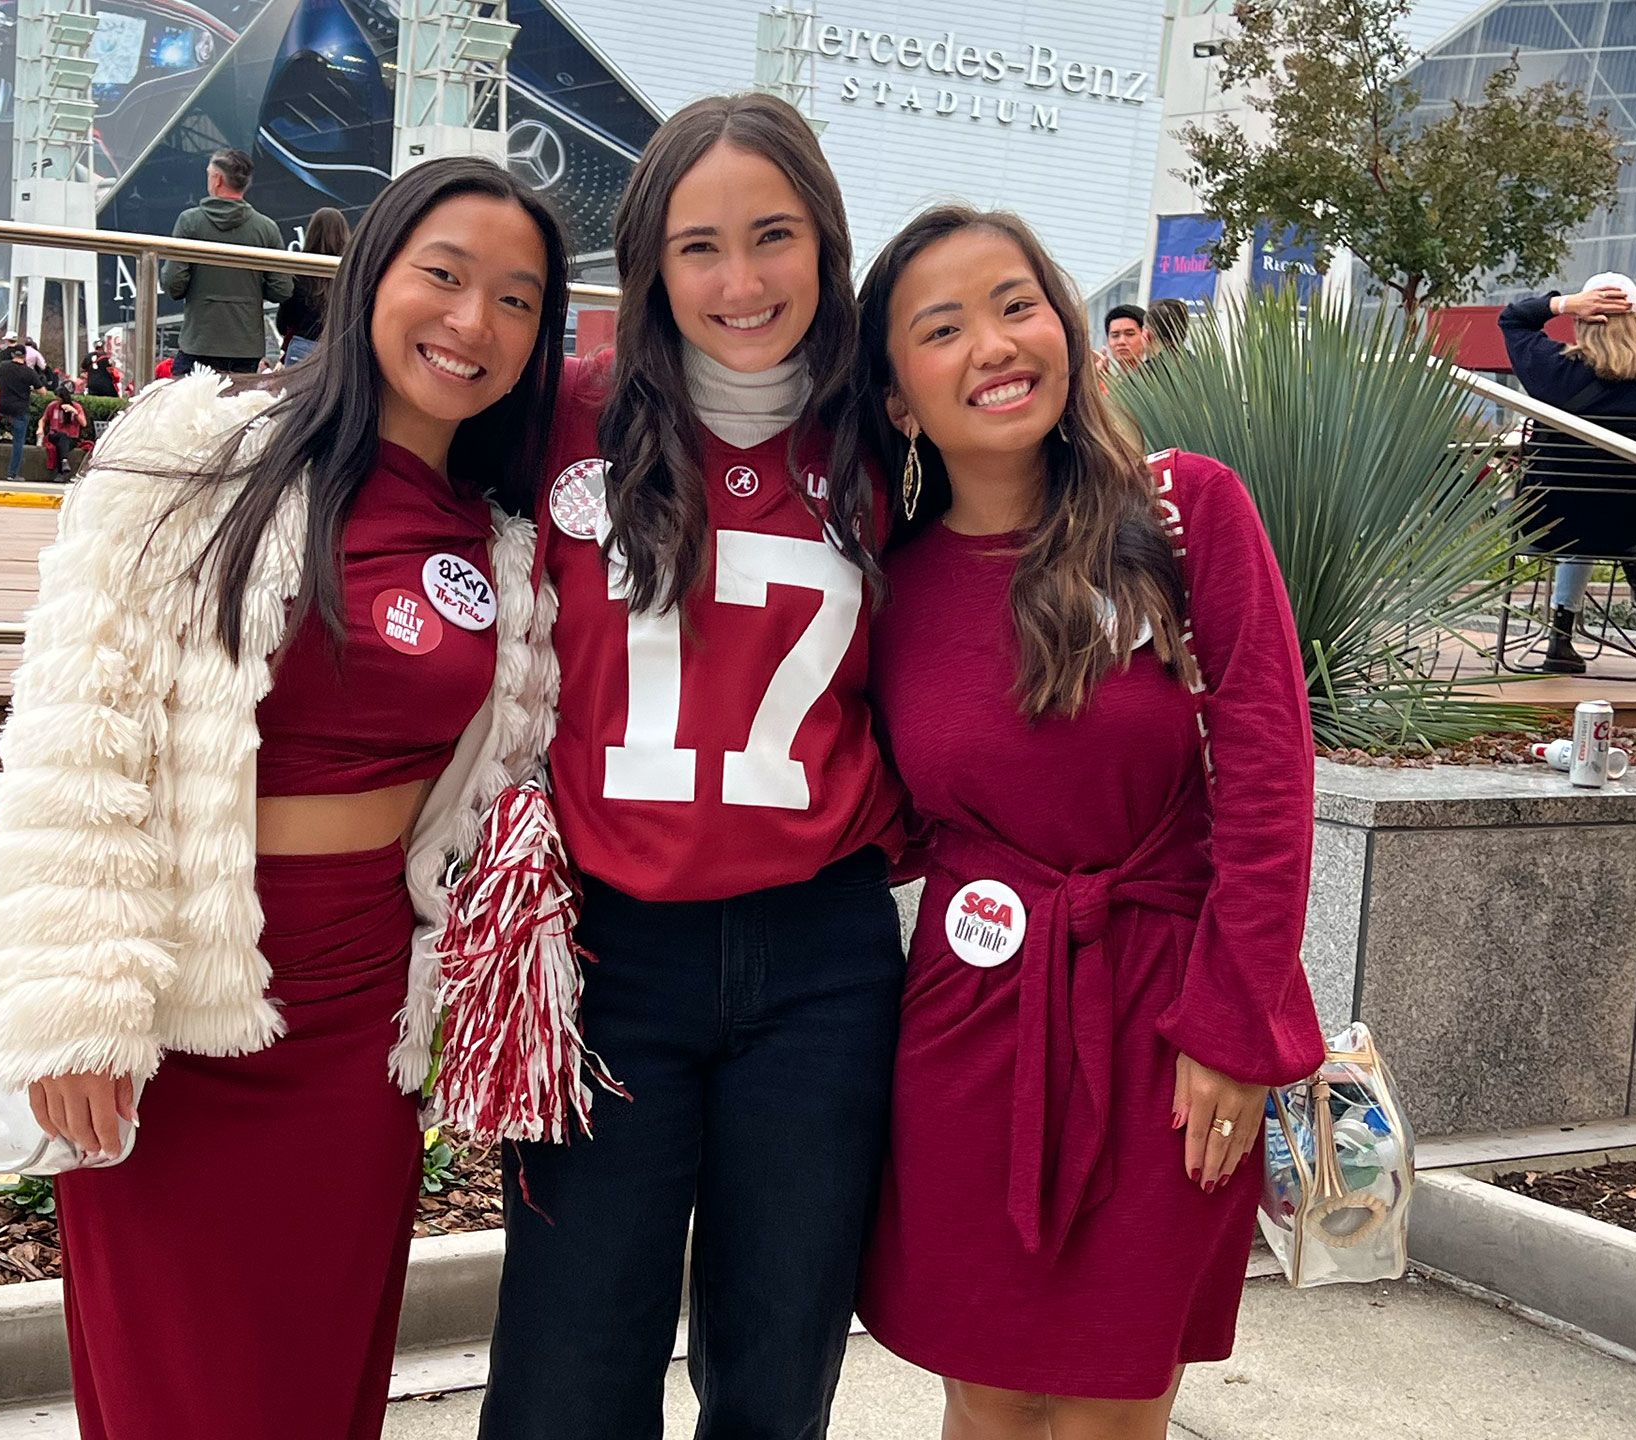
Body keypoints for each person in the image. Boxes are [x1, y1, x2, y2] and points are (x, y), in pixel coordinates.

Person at [0, 155, 569, 1440]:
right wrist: (78, 1005)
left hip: (360, 1035)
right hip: (181, 1021)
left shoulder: (503, 539)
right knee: (183, 1398)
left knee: (314, 1392)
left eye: (517, 301)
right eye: (444, 278)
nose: (473, 323)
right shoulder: (193, 452)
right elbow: (80, 727)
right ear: (370, 280)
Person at [854, 205, 1324, 1438]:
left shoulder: (1182, 514)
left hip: (1163, 1013)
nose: (993, 346)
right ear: (898, 395)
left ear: (1066, 330)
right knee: (986, 1389)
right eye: (940, 328)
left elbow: (1270, 774)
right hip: (969, 1009)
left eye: (1016, 306)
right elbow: (886, 807)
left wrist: (1233, 1024)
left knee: (1118, 1396)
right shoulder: (886, 585)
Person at [481, 93, 901, 1440]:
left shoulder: (894, 443)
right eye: (698, 243)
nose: (740, 281)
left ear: (826, 247)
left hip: (821, 954)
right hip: (608, 955)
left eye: (772, 237)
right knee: (570, 1362)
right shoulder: (562, 416)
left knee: (779, 1365)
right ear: (651, 260)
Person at [1497, 272, 1636, 673]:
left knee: (1570, 503)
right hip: (1632, 530)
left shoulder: (1554, 371)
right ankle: (1633, 571)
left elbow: (1512, 319)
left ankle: (1560, 638)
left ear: (1581, 320)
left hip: (1548, 525)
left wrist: (1562, 303)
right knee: (1601, 502)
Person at [162, 149, 293, 375]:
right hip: (246, 347)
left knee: (189, 408)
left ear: (218, 179)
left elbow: (174, 283)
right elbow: (282, 289)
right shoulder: (266, 228)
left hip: (199, 341)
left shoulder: (190, 222)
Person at [277, 206, 351, 365]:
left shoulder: (299, 273)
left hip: (302, 349)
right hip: (342, 350)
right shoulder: (352, 273)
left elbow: (283, 323)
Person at [0, 343, 36, 480]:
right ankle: (12, 473)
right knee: (18, 441)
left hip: (3, 404)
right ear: (25, 356)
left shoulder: (4, 366)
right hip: (20, 408)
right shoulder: (29, 372)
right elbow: (43, 391)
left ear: (13, 355)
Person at [35, 379, 91, 479]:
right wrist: (40, 428)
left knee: (63, 442)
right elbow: (43, 419)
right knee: (62, 437)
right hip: (55, 435)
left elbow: (84, 423)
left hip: (71, 438)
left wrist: (74, 412)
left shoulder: (76, 407)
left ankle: (62, 470)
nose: (58, 401)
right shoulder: (52, 406)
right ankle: (63, 464)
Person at [1104, 303, 1149, 368]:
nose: (1121, 342)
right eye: (1115, 335)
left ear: (1146, 336)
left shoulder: (1161, 375)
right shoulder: (1099, 376)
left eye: (1130, 334)